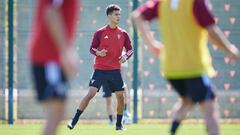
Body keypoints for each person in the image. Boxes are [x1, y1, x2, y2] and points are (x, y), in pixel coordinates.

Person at [131, 0, 239, 135]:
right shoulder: (196, 2)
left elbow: (137, 16)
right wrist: (229, 49)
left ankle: (172, 131)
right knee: (210, 108)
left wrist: (151, 44)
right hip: (194, 67)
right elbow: (212, 31)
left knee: (187, 101)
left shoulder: (162, 3)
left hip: (170, 68)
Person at [68, 4, 133, 131]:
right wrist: (98, 52)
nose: (118, 17)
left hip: (115, 71)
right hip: (100, 70)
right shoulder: (100, 32)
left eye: (119, 14)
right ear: (109, 16)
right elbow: (91, 48)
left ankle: (119, 125)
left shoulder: (123, 33)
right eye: (116, 14)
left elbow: (130, 50)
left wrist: (125, 56)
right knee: (90, 94)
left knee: (121, 97)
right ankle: (74, 120)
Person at [28, 0, 79, 135]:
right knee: (56, 110)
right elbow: (50, 12)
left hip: (53, 58)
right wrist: (66, 51)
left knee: (59, 111)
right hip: (48, 57)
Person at [103, 53, 132, 125]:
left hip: (118, 79)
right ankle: (111, 120)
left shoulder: (123, 54)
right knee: (108, 100)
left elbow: (123, 71)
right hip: (106, 80)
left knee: (124, 93)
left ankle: (125, 112)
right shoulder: (105, 51)